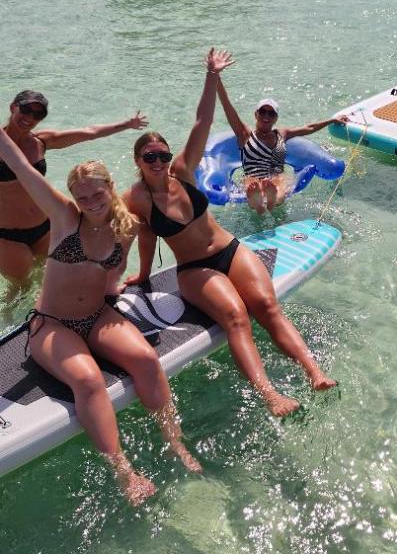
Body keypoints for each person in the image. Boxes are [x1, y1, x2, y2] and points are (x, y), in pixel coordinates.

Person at [124, 49, 336, 418]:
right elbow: (142, 236)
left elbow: (201, 120)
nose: (158, 162)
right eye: (150, 158)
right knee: (237, 317)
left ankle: (314, 372)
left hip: (231, 250)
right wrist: (141, 275)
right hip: (194, 271)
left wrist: (212, 75)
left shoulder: (183, 172)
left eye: (162, 155)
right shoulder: (136, 198)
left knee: (268, 307)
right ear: (138, 161)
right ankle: (271, 396)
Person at [0, 128, 200, 503]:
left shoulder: (125, 227)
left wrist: (118, 287)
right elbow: (19, 164)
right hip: (52, 326)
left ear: (110, 187)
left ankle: (176, 443)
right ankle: (126, 473)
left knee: (145, 359)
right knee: (89, 382)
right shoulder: (64, 218)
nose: (90, 201)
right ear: (73, 197)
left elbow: (112, 274)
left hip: (97, 316)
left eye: (97, 193)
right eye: (82, 196)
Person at [0, 90, 148, 286]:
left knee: (50, 279)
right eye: (26, 110)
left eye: (38, 115)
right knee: (20, 289)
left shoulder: (40, 141)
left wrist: (127, 125)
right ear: (13, 107)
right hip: (8, 235)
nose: (30, 118)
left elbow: (89, 132)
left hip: (46, 226)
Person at [215, 77, 348, 214]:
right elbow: (227, 107)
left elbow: (309, 128)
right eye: (263, 112)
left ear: (276, 118)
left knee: (278, 184)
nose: (266, 116)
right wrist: (216, 78)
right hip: (253, 176)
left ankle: (272, 200)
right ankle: (259, 204)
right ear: (256, 114)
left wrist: (332, 120)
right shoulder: (245, 134)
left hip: (275, 175)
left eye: (271, 113)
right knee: (251, 184)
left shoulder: (281, 134)